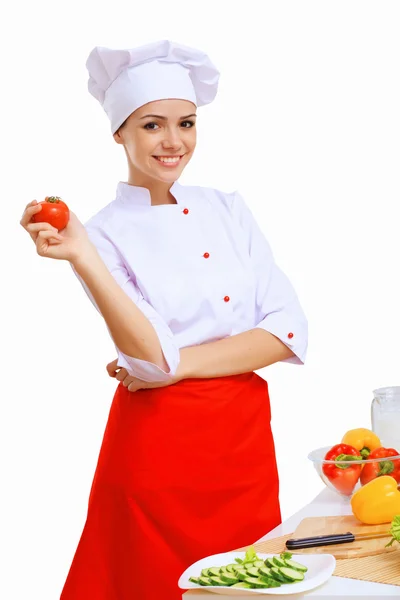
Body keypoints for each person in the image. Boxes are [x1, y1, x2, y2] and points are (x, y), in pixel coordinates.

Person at [20, 40, 308, 600]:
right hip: (156, 453)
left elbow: (287, 331)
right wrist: (80, 254)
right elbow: (150, 358)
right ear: (119, 134)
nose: (173, 142)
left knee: (249, 582)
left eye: (186, 123)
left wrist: (173, 365)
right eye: (152, 125)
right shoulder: (97, 234)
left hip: (242, 444)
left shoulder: (229, 209)